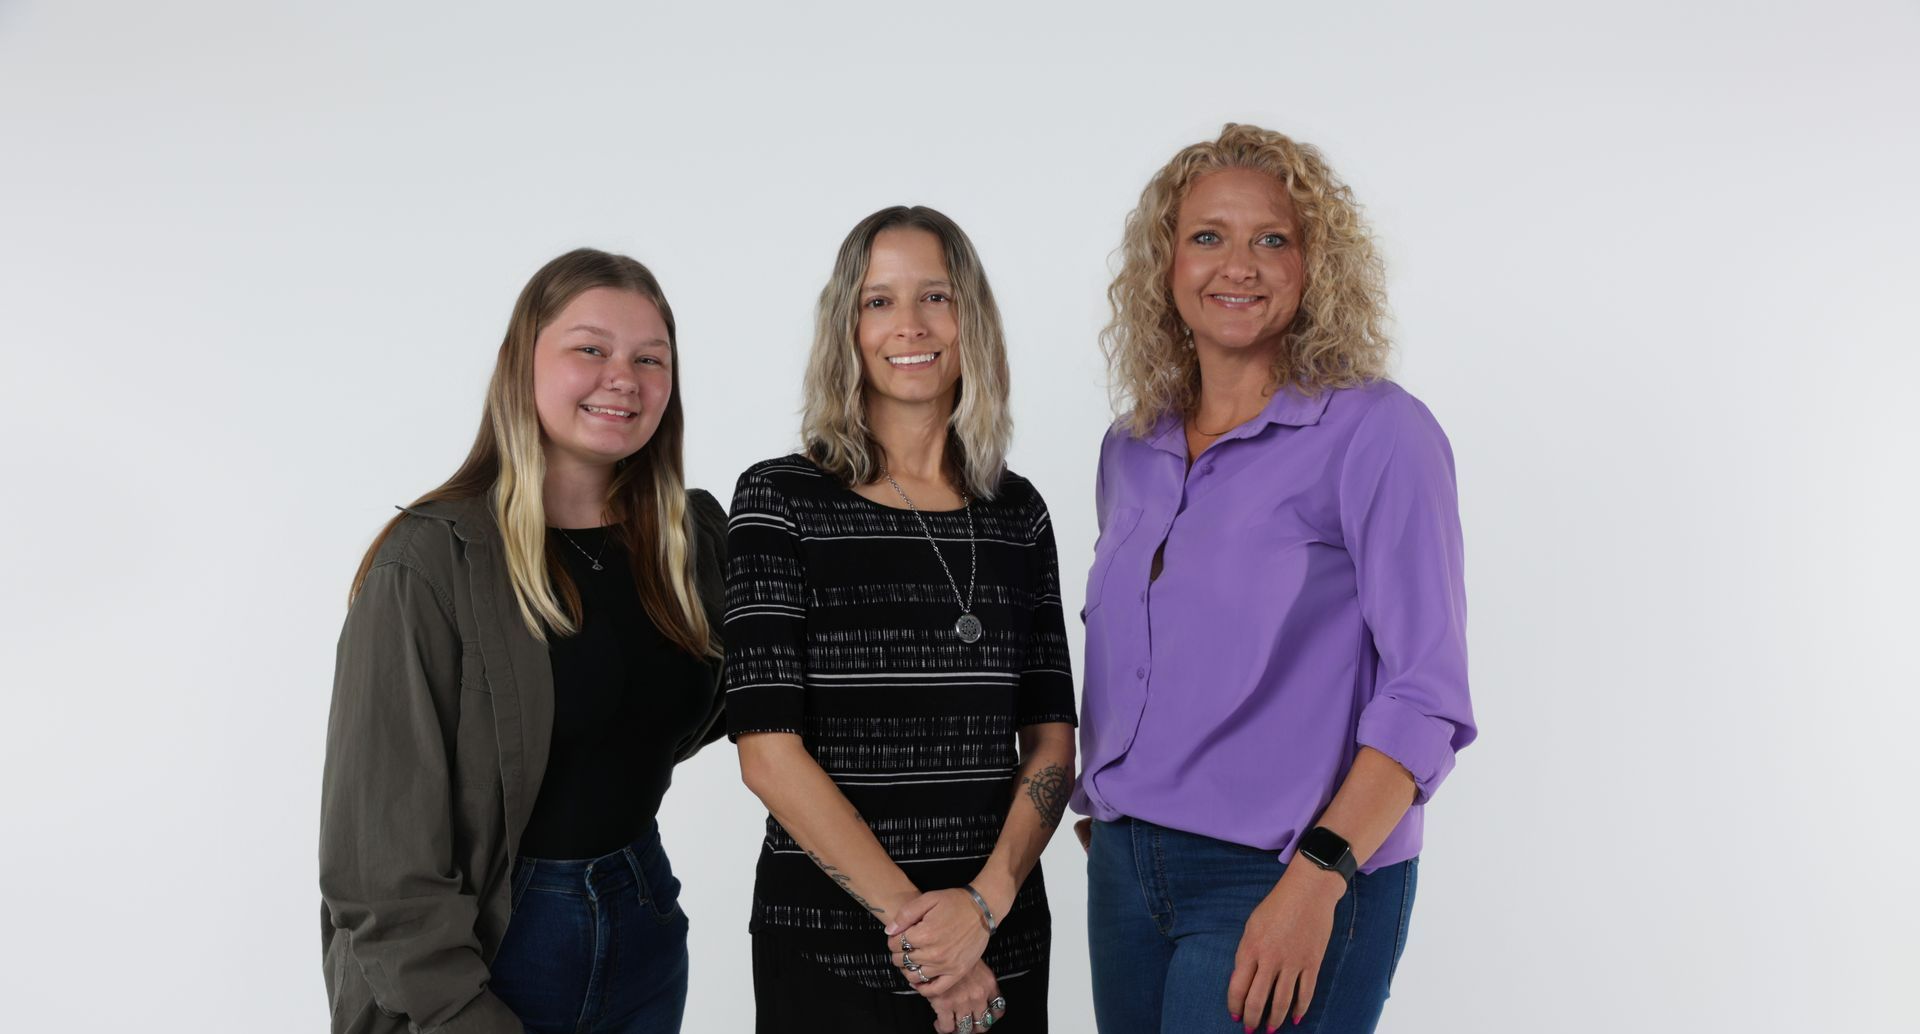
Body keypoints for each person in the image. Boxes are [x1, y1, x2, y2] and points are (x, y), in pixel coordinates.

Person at [1073, 124, 1477, 1034]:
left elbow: (1427, 697)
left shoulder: (1378, 435)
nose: (1238, 266)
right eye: (1208, 237)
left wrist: (1318, 877)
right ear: (1165, 264)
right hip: (1128, 873)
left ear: (1315, 265)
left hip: (1285, 873)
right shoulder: (1132, 448)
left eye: (1273, 239)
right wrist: (1106, 813)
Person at [318, 248, 728, 1034]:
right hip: (498, 951)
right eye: (590, 349)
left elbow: (720, 710)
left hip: (645, 918)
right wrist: (461, 1013)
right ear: (519, 364)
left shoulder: (686, 539)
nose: (624, 377)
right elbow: (376, 870)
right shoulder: (431, 562)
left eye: (651, 358)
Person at [726, 206, 1077, 1033]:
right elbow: (768, 755)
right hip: (829, 953)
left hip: (1002, 949)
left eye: (936, 297)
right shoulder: (777, 500)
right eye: (878, 301)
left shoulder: (1016, 512)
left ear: (971, 321)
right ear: (845, 326)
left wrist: (982, 910)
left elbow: (1052, 741)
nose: (909, 326)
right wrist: (925, 938)